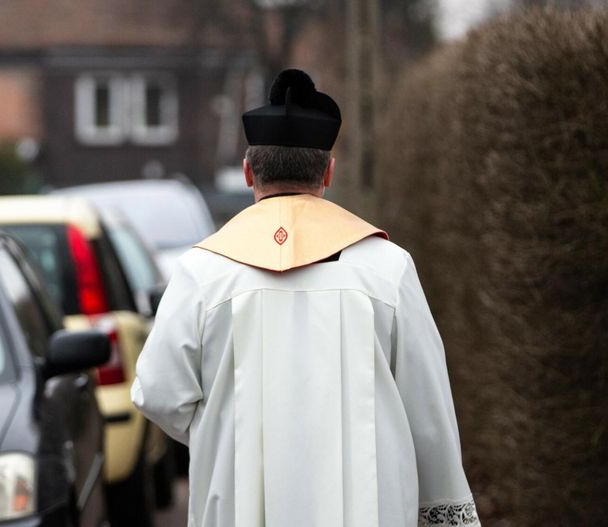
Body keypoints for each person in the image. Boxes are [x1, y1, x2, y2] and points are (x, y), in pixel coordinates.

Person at [131, 69, 480, 527]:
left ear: (247, 170)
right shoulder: (388, 269)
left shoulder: (203, 272)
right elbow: (427, 410)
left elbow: (158, 391)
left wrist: (229, 428)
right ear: (329, 172)